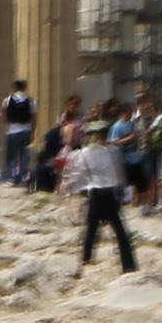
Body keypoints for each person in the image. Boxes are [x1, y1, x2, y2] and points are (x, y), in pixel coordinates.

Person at [69, 118, 135, 276]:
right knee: (117, 232)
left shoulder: (85, 153)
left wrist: (76, 191)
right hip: (107, 194)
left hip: (99, 194)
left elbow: (79, 175)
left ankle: (87, 259)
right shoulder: (111, 151)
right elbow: (119, 174)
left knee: (93, 230)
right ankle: (128, 265)